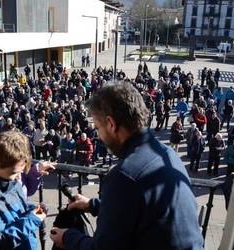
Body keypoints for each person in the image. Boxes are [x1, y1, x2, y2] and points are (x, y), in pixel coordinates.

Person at [50, 83, 203, 249]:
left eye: (98, 127)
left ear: (111, 124)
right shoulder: (167, 153)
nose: (99, 136)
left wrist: (67, 237)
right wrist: (93, 205)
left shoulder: (125, 176)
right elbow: (141, 213)